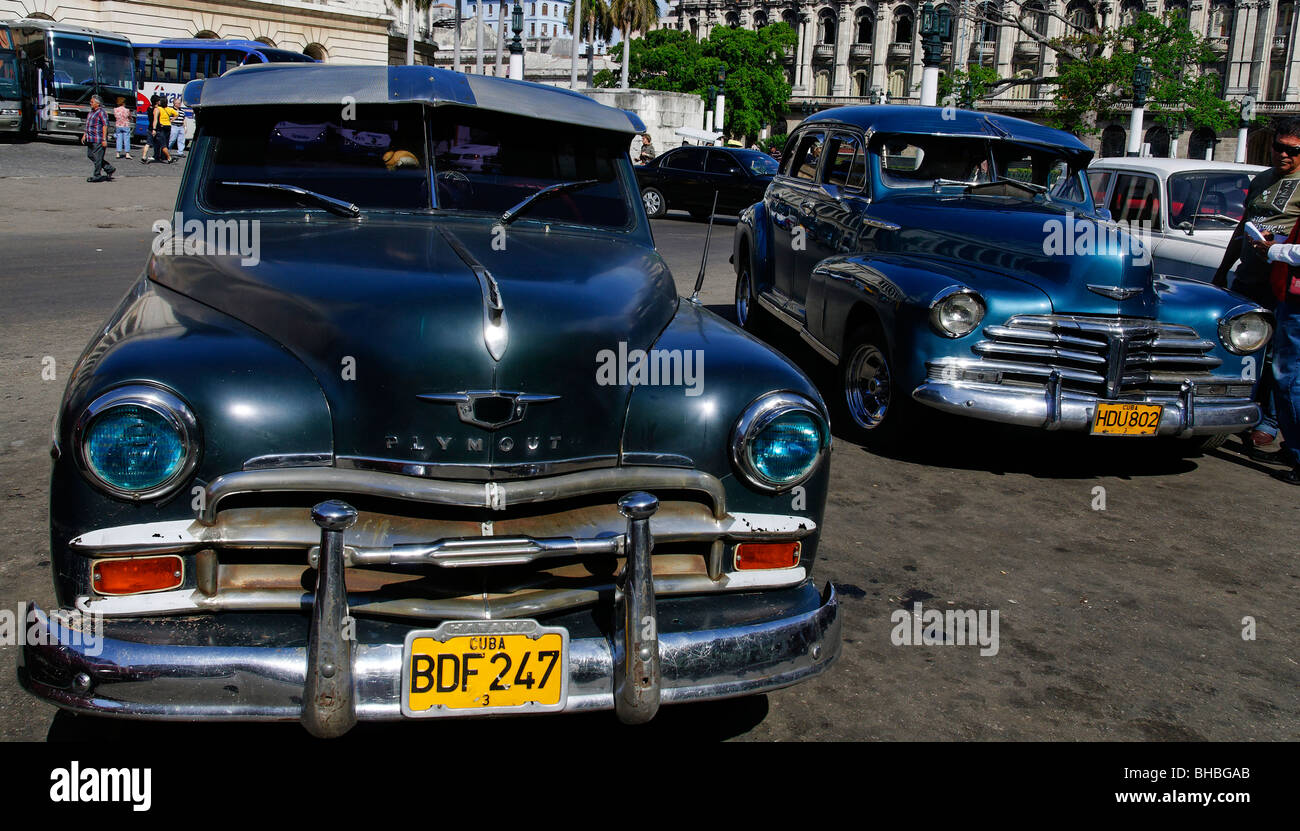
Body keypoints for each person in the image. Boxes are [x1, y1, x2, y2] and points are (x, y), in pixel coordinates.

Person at [1212, 116, 1300, 454]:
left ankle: (1270, 422)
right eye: (1279, 148)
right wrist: (1224, 268)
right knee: (1240, 345)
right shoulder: (1262, 179)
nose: (1284, 156)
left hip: (1282, 281)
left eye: (1293, 151)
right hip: (1248, 276)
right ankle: (1235, 408)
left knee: (1280, 357)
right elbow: (1241, 227)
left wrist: (1274, 245)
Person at [81, 95, 115, 182]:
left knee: (97, 157)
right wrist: (84, 135)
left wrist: (104, 139)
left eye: (92, 102)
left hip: (98, 139)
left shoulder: (101, 112)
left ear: (97, 103)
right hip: (90, 138)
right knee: (91, 155)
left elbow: (105, 125)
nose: (90, 103)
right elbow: (88, 125)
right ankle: (109, 168)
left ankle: (97, 175)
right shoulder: (91, 112)